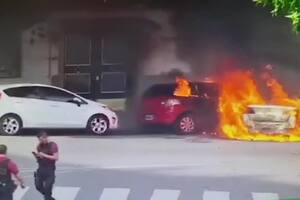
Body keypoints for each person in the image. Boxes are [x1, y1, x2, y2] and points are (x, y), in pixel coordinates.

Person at [33, 131, 59, 200]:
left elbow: (56, 157)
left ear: (46, 137)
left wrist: (44, 155)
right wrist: (38, 156)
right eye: (39, 140)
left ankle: (48, 196)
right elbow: (40, 156)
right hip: (41, 167)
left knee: (48, 187)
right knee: (38, 186)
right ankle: (48, 196)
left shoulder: (52, 145)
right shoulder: (39, 146)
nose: (41, 141)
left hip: (49, 168)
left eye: (42, 139)